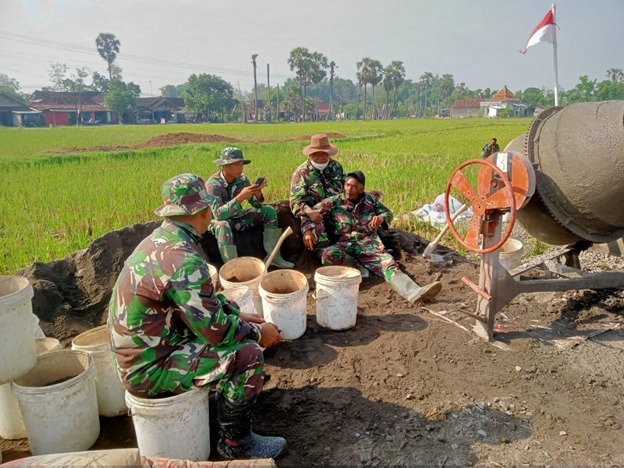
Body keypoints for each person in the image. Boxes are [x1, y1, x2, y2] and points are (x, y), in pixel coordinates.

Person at [107, 173, 287, 460]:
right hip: (149, 369)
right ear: (203, 212)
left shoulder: (160, 241)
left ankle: (223, 398)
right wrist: (258, 332)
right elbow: (214, 331)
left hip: (145, 352)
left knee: (238, 329)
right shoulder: (184, 260)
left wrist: (241, 315)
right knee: (248, 354)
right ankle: (235, 444)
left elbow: (201, 304)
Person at [310, 171, 442, 302]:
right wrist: (307, 231)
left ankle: (413, 292)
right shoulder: (333, 202)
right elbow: (311, 213)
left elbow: (387, 213)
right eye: (347, 185)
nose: (349, 189)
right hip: (344, 244)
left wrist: (381, 218)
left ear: (362, 189)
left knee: (388, 264)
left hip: (368, 243)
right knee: (329, 255)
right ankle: (356, 268)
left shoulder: (370, 200)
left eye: (354, 186)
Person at [205, 147, 294, 268]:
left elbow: (257, 205)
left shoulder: (242, 179)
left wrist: (257, 193)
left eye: (242, 164)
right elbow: (218, 215)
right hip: (216, 222)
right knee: (223, 225)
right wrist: (240, 197)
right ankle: (233, 267)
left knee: (268, 211)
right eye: (237, 164)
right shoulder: (213, 184)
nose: (241, 167)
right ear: (225, 165)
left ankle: (274, 256)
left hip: (236, 217)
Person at [290, 134, 345, 252]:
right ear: (310, 154)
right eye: (316, 154)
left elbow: (346, 189)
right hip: (314, 215)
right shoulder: (301, 173)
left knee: (352, 232)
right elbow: (295, 202)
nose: (320, 157)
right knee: (320, 245)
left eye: (323, 153)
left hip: (337, 211)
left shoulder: (336, 167)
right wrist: (309, 214)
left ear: (329, 153)